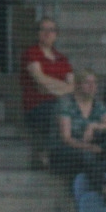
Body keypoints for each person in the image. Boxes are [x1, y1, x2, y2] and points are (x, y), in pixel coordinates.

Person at [50, 70, 106, 199]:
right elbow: (66, 138)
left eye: (94, 83)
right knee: (87, 154)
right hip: (64, 150)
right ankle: (105, 189)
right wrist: (89, 147)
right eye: (87, 82)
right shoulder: (66, 103)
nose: (92, 86)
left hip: (89, 146)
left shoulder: (97, 104)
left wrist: (93, 126)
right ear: (77, 85)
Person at [20, 18, 74, 167]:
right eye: (43, 29)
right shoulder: (32, 53)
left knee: (66, 107)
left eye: (51, 30)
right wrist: (63, 87)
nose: (47, 33)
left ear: (56, 34)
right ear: (37, 33)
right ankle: (47, 154)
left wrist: (51, 87)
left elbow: (73, 87)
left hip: (59, 105)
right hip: (37, 107)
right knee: (62, 107)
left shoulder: (62, 59)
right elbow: (40, 80)